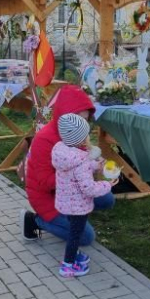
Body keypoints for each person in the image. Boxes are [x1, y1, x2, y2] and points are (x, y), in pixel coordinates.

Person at [21, 85, 115, 242]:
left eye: (86, 120)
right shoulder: (44, 139)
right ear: (65, 117)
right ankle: (35, 221)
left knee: (106, 198)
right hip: (45, 196)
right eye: (81, 119)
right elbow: (44, 183)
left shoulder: (77, 132)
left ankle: (73, 215)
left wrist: (95, 163)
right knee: (86, 238)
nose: (84, 125)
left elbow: (82, 161)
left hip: (68, 191)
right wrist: (78, 173)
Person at [52, 114, 112, 278]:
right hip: (78, 207)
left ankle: (72, 256)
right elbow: (89, 188)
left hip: (67, 204)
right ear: (80, 138)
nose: (88, 137)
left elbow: (77, 171)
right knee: (75, 235)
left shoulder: (64, 153)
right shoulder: (81, 161)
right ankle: (68, 266)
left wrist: (94, 165)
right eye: (86, 134)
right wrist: (107, 185)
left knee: (73, 232)